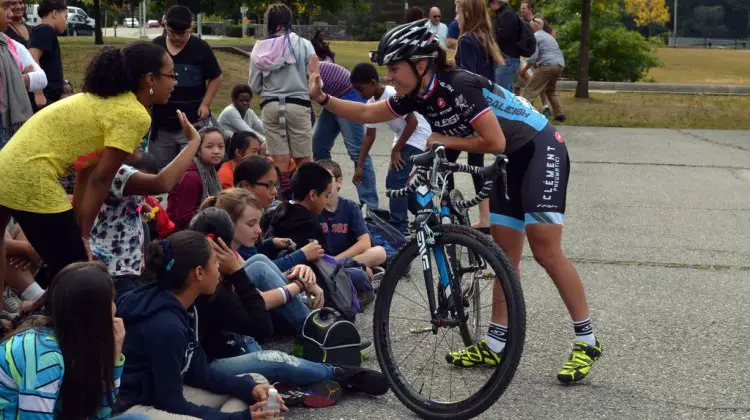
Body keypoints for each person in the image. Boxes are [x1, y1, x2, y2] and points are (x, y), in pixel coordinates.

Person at [307, 19, 602, 383]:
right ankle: (495, 344)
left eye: (395, 68)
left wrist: (442, 140)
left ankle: (587, 340)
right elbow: (369, 113)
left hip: (541, 148)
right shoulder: (417, 93)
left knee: (545, 250)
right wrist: (322, 98)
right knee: (505, 260)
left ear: (420, 64)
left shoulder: (457, 84)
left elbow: (492, 141)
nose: (390, 76)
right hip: (512, 156)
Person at [0, 41, 175, 311]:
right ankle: (61, 336)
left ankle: (25, 312)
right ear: (150, 79)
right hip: (31, 177)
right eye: (171, 75)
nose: (174, 83)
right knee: (79, 274)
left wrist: (81, 232)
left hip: (6, 165)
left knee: (69, 265)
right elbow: (101, 180)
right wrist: (82, 238)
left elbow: (87, 171)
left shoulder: (104, 100)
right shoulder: (133, 114)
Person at [115, 231, 285, 419]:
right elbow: (170, 402)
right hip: (135, 408)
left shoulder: (186, 307)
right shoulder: (165, 326)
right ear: (199, 272)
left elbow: (198, 372)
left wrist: (249, 388)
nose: (219, 266)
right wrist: (239, 417)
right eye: (214, 261)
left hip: (163, 395)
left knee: (257, 384)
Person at [0, 262, 145, 419]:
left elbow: (100, 414)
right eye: (110, 301)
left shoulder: (77, 340)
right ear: (93, 313)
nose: (115, 308)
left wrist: (114, 359)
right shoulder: (44, 355)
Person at [90, 111, 201, 298]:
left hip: (115, 266)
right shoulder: (118, 172)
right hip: (116, 271)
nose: (141, 141)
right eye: (135, 136)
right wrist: (193, 142)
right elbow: (163, 182)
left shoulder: (102, 164)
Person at [198, 190, 322, 332]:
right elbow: (258, 299)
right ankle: (312, 327)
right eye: (251, 224)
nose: (259, 230)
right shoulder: (218, 256)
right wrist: (300, 285)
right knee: (259, 267)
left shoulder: (232, 252)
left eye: (258, 223)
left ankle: (308, 312)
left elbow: (257, 285)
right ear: (229, 224)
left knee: (260, 260)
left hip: (246, 316)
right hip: (223, 329)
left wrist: (298, 273)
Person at [350, 63, 430, 235]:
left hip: (420, 135)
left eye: (360, 89)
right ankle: (427, 217)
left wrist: (396, 150)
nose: (359, 94)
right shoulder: (372, 103)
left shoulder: (393, 94)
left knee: (394, 182)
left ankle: (399, 228)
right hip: (404, 137)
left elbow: (413, 122)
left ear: (372, 83)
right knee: (402, 184)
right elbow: (369, 136)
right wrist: (360, 164)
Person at [250, 3, 314, 200]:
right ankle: (303, 199)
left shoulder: (260, 48)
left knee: (279, 160)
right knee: (304, 159)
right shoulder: (304, 44)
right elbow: (312, 76)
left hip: (271, 105)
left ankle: (281, 199)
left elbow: (254, 86)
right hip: (298, 104)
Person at [150, 5, 223, 170]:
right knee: (161, 170)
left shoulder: (201, 48)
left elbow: (216, 77)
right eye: (171, 33)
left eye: (182, 34)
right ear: (165, 26)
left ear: (190, 28)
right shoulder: (155, 47)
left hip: (192, 124)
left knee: (191, 169)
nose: (176, 38)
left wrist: (206, 104)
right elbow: (147, 79)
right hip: (162, 125)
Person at [455, 0, 506, 232]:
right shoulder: (484, 38)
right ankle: (485, 217)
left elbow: (467, 77)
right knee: (476, 163)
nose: (455, 15)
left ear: (466, 12)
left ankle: (451, 213)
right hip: (485, 107)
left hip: (470, 109)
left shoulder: (466, 40)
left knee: (445, 158)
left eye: (457, 9)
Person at [312, 60, 378, 209]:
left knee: (357, 151)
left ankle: (370, 206)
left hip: (350, 95)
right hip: (331, 98)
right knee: (319, 145)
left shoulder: (301, 71)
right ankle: (326, 194)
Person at [316, 159, 386, 269]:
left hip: (344, 259)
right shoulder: (314, 208)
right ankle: (340, 270)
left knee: (379, 252)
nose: (322, 184)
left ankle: (338, 270)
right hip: (321, 262)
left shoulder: (350, 207)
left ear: (339, 181)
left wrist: (335, 261)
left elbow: (365, 242)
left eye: (326, 179)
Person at [167, 127, 225, 230]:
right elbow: (184, 218)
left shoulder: (211, 171)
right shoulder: (191, 177)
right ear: (198, 150)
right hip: (180, 232)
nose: (216, 151)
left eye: (221, 146)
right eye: (209, 146)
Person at [266, 162, 331, 253]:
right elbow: (324, 262)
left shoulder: (277, 212)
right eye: (326, 195)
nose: (327, 201)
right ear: (313, 195)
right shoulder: (311, 225)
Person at [0, 0, 33, 146]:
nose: (11, 13)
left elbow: (31, 69)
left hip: (5, 121)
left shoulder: (7, 43)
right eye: (5, 7)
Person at [522, 17, 566, 122]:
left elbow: (533, 57)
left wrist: (524, 69)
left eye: (531, 23)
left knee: (530, 89)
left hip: (548, 65)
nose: (529, 25)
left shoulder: (536, 36)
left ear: (536, 25)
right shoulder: (549, 37)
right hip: (559, 65)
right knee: (550, 90)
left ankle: (524, 114)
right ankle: (559, 115)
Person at [28, 0, 66, 108]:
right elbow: (32, 58)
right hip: (44, 98)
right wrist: (38, 93)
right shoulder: (45, 30)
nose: (66, 22)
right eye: (65, 17)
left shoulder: (47, 32)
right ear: (54, 14)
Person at [488, 0, 523, 92]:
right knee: (507, 92)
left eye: (490, 3)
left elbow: (503, 36)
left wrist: (490, 40)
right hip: (508, 58)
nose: (490, 7)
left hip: (507, 59)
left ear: (495, 2)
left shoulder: (507, 15)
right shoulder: (506, 13)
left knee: (501, 93)